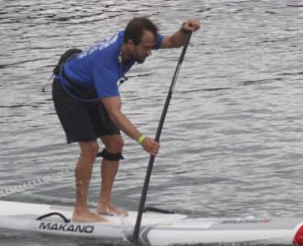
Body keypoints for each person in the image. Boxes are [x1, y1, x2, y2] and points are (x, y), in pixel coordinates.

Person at [52, 17, 201, 222]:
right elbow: (115, 113)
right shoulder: (106, 64)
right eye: (147, 48)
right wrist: (142, 140)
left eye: (151, 47)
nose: (150, 52)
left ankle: (103, 204)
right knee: (90, 148)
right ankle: (80, 211)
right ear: (130, 43)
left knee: (115, 144)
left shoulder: (136, 37)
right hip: (69, 93)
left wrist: (184, 30)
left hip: (92, 90)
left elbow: (172, 42)